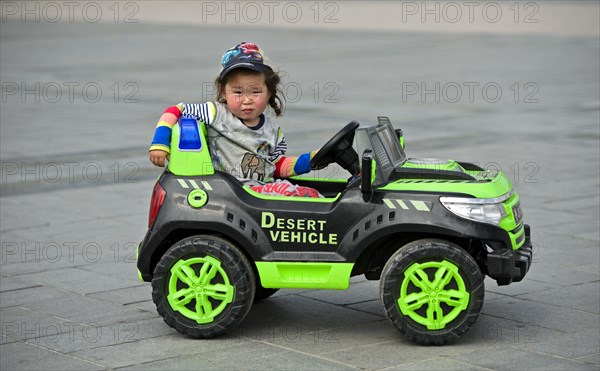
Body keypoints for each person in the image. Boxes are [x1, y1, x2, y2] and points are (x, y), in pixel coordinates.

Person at [148, 42, 322, 197]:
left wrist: (311, 160)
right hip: (233, 194)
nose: (247, 100)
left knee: (313, 195)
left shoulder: (273, 132)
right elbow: (175, 110)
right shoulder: (216, 113)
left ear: (270, 92)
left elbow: (275, 166)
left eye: (255, 92)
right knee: (306, 196)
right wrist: (160, 143)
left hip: (263, 196)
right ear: (224, 92)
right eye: (238, 92)